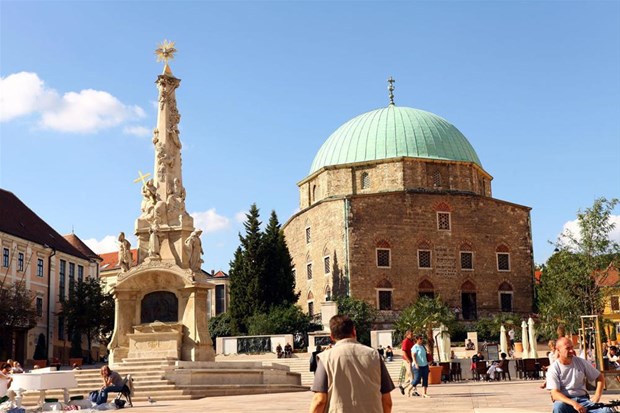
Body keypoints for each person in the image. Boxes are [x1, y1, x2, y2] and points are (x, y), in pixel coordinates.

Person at [309, 315, 394, 413]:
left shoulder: (326, 358)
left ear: (332, 336)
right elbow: (387, 400)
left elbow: (319, 400)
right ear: (354, 331)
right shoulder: (374, 355)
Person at [546, 337, 613, 413]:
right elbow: (555, 394)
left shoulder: (581, 362)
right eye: (567, 348)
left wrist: (597, 396)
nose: (571, 351)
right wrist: (574, 403)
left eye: (572, 347)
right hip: (565, 402)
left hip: (583, 400)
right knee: (558, 406)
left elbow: (599, 377)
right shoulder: (554, 368)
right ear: (558, 350)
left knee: (606, 411)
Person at [397, 330, 414, 396]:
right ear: (407, 335)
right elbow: (404, 351)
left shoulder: (411, 341)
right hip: (407, 360)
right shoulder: (405, 341)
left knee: (412, 377)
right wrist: (408, 360)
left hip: (411, 360)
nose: (412, 336)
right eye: (411, 335)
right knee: (412, 377)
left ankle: (403, 386)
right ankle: (408, 390)